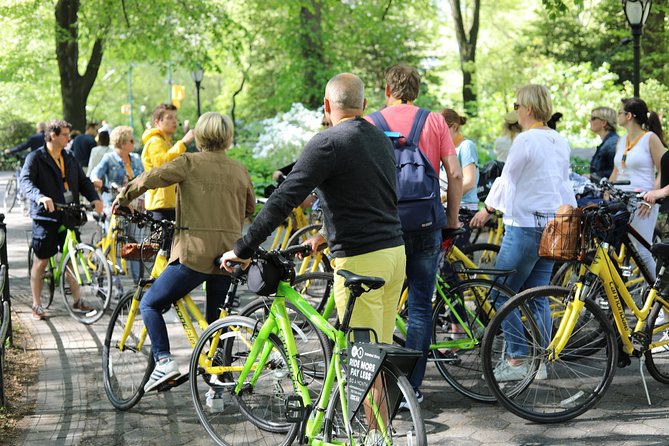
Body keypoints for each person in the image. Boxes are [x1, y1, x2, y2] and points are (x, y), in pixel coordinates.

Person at [220, 72, 406, 360]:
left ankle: (372, 407)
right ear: (364, 103)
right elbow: (373, 197)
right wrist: (325, 234)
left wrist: (244, 248)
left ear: (326, 106)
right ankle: (385, 404)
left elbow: (284, 198)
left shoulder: (327, 143)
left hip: (360, 260)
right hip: (394, 254)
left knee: (362, 365)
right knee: (379, 355)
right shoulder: (380, 139)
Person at [112, 112, 255, 392]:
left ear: (199, 136)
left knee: (150, 303)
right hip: (228, 255)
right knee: (218, 320)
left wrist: (124, 197)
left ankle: (164, 362)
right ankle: (219, 380)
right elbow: (249, 208)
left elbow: (152, 177)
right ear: (228, 138)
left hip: (193, 253)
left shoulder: (188, 162)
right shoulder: (239, 169)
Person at [365, 63, 463, 403]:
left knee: (377, 306)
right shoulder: (434, 120)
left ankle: (378, 386)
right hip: (426, 224)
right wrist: (450, 220)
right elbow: (455, 174)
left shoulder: (370, 124)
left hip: (383, 229)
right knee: (421, 307)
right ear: (417, 92)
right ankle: (412, 390)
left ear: (387, 91)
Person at [470, 84, 576, 381]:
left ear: (528, 108)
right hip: (552, 228)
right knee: (538, 297)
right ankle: (540, 362)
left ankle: (516, 360)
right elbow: (564, 186)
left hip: (525, 227)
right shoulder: (559, 140)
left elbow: (507, 180)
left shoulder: (525, 141)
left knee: (501, 294)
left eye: (517, 105)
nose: (515, 110)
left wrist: (487, 210)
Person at [19, 119, 103, 321]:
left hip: (68, 214)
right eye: (65, 134)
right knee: (42, 261)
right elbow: (25, 182)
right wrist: (40, 197)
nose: (69, 138)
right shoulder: (36, 158)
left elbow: (82, 181)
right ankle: (36, 304)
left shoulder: (69, 157)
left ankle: (77, 300)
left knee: (71, 260)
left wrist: (94, 198)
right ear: (53, 135)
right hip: (46, 217)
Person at [610, 97, 666, 281]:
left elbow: (663, 171)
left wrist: (652, 197)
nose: (617, 116)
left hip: (643, 201)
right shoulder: (621, 140)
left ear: (629, 116)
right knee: (610, 248)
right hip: (621, 200)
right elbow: (616, 170)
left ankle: (660, 301)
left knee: (641, 251)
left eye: (619, 112)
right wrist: (606, 191)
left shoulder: (650, 138)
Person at [91, 126, 145, 287]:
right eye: (130, 140)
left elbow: (144, 178)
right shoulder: (109, 158)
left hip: (134, 206)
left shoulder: (135, 158)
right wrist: (97, 181)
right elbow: (95, 173)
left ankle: (137, 283)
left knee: (134, 245)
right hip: (114, 206)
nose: (133, 143)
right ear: (121, 143)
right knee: (114, 246)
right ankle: (116, 284)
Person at [140, 103, 194, 222]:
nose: (174, 121)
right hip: (160, 206)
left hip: (168, 204)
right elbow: (163, 165)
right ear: (157, 122)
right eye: (169, 118)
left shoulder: (165, 142)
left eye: (175, 118)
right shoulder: (155, 141)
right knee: (161, 241)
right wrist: (183, 143)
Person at [586, 107, 619, 180]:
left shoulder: (612, 144)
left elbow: (616, 171)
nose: (590, 121)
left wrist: (593, 176)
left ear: (604, 122)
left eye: (593, 118)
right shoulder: (608, 143)